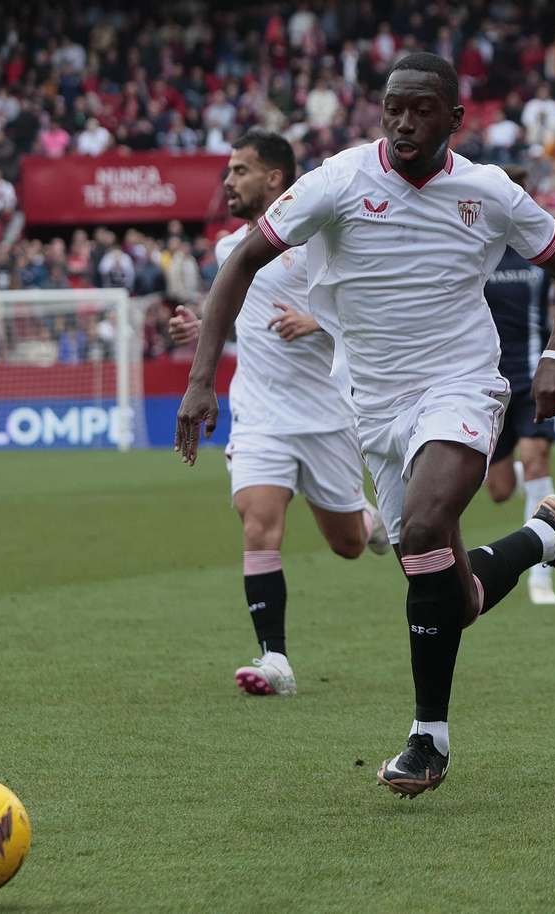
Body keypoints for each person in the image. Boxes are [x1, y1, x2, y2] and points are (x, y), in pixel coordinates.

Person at [175, 53, 555, 798]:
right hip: (370, 403)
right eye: (393, 108)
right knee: (453, 597)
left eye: (421, 109)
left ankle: (427, 740)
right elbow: (241, 262)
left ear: (454, 118)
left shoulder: (486, 190)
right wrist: (199, 379)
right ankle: (545, 538)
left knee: (426, 522)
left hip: (462, 383)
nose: (405, 122)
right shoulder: (338, 182)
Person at [167, 130, 391, 698]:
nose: (228, 181)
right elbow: (248, 318)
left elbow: (372, 311)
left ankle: (369, 522)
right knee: (256, 523)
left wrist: (319, 322)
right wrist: (204, 333)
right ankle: (276, 661)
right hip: (260, 415)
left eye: (240, 170)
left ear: (275, 179)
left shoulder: (321, 241)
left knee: (344, 544)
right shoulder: (228, 252)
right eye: (228, 171)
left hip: (326, 418)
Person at [483, 164, 555, 605]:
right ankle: (515, 473)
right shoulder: (479, 249)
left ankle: (541, 574)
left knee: (538, 460)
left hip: (533, 378)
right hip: (489, 382)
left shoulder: (539, 248)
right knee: (497, 492)